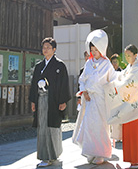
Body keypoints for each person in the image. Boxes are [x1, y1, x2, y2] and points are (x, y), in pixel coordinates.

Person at [72, 30, 117, 165]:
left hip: (101, 99)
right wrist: (84, 91)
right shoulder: (88, 63)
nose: (94, 52)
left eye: (96, 49)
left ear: (102, 49)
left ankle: (101, 153)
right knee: (89, 126)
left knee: (101, 126)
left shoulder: (107, 64)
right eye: (92, 49)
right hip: (90, 99)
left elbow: (113, 81)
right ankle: (90, 151)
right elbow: (82, 80)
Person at [29, 37, 71, 167]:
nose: (45, 50)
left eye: (48, 47)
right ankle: (45, 156)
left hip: (54, 100)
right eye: (44, 47)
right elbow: (33, 84)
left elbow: (64, 84)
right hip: (41, 99)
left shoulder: (59, 65)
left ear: (54, 49)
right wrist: (33, 101)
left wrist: (63, 101)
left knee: (53, 127)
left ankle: (52, 155)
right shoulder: (39, 66)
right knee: (42, 127)